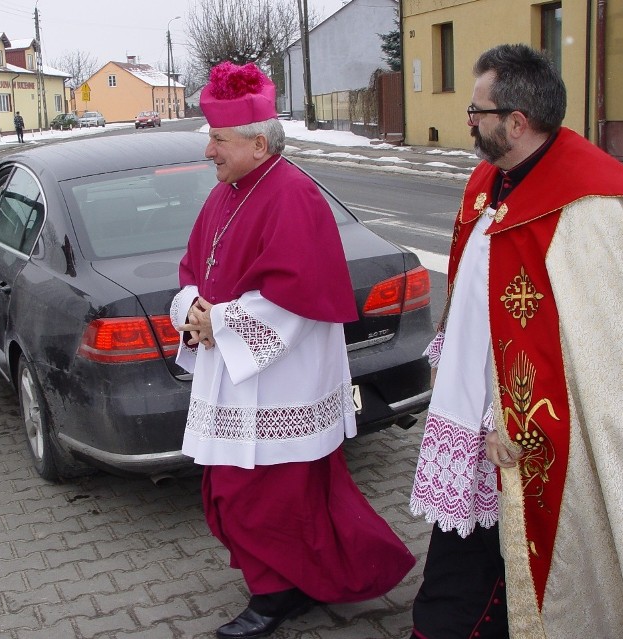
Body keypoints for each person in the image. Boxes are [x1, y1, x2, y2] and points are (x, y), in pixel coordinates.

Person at [171, 61, 416, 639]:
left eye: (218, 139)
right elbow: (190, 271)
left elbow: (299, 296)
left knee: (265, 495)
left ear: (258, 143)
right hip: (234, 373)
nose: (208, 150)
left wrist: (219, 323)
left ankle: (277, 594)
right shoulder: (227, 193)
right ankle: (292, 580)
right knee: (238, 488)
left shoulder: (293, 194)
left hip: (280, 379)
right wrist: (192, 312)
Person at [408, 43, 623, 639]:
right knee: (466, 575)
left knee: (499, 579)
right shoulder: (491, 180)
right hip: (476, 415)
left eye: (477, 111)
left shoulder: (591, 203)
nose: (468, 120)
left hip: (538, 434)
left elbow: (605, 348)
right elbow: (472, 294)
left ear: (516, 121)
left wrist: (513, 416)